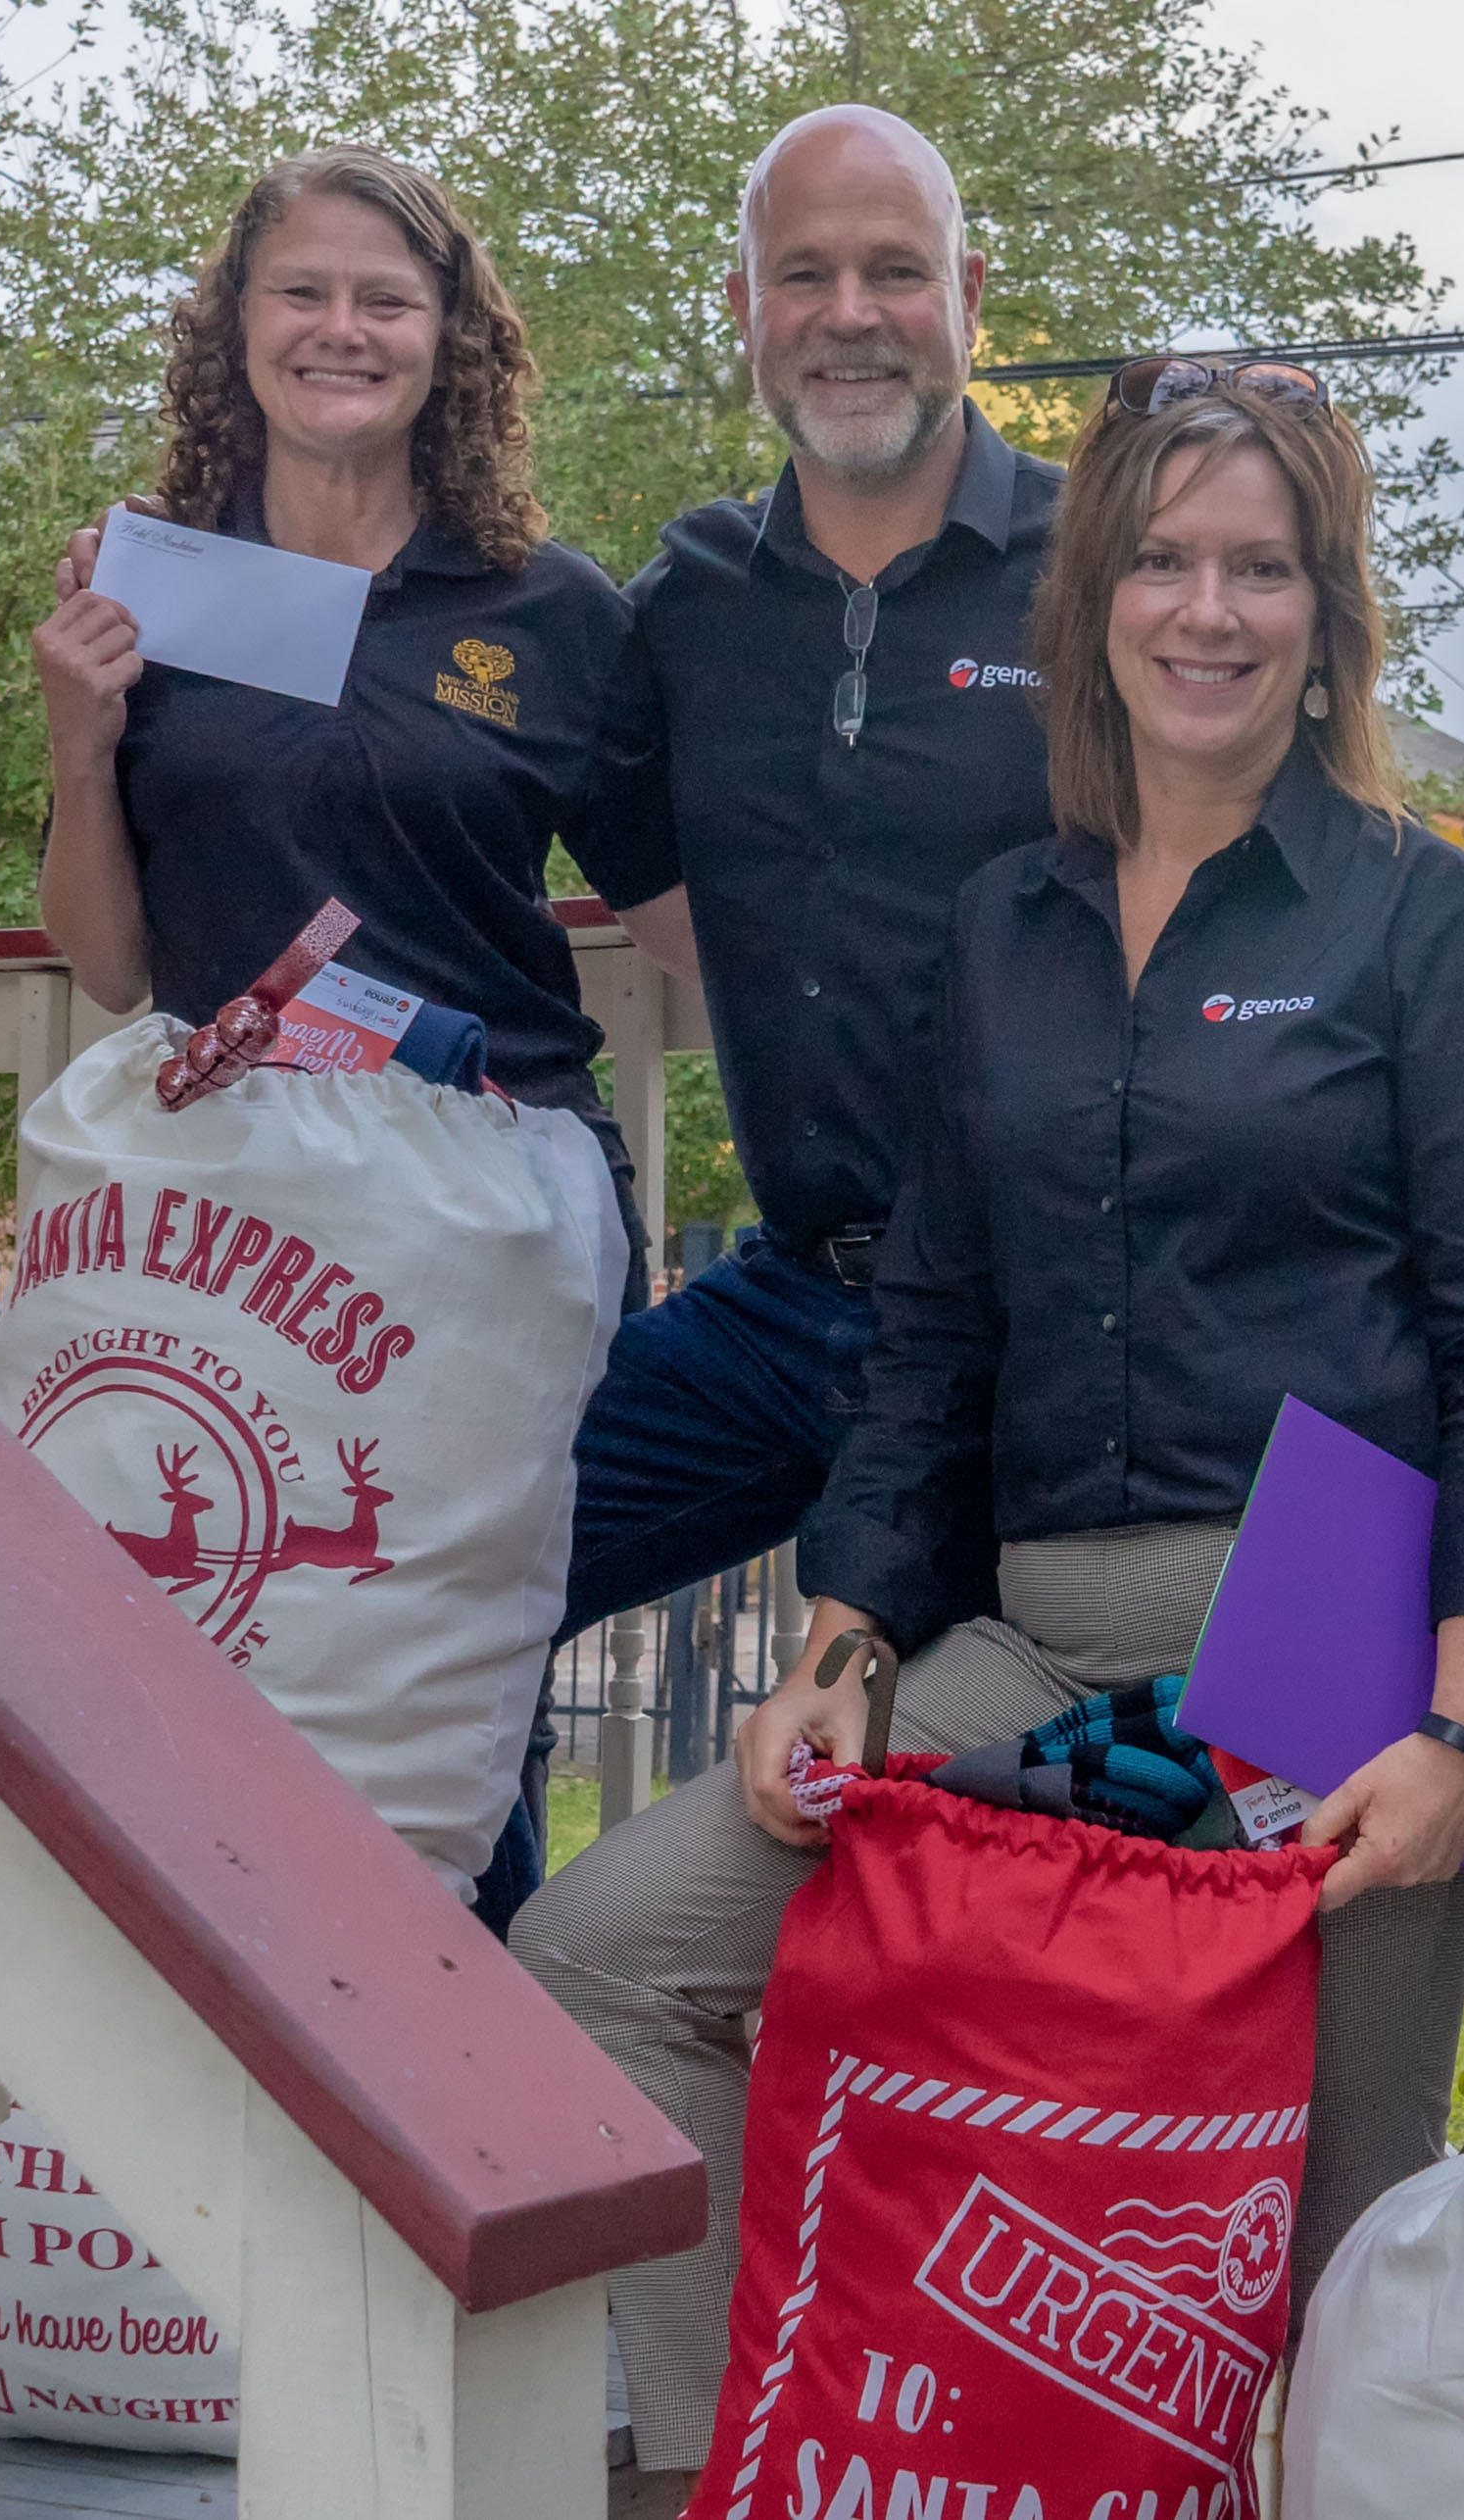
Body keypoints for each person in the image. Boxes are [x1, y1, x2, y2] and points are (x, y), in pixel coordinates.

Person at [518, 357, 1464, 2496]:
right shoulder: (1004, 926)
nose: (1209, 611)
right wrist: (838, 1658)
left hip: (1330, 1670)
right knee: (605, 1953)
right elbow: (925, 1337)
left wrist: (1457, 1737)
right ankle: (726, 2469)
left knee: (1343, 2230)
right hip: (1028, 1650)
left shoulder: (1418, 915)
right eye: (1167, 561)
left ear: (1327, 613)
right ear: (1093, 594)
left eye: (1262, 568)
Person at [471, 105, 1062, 1920]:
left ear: (968, 294)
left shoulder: (1107, 569)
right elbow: (484, 770)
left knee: (956, 1815)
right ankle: (460, 2097)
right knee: (468, 1576)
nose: (851, 311)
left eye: (895, 270)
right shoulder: (687, 603)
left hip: (1035, 1337)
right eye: (805, 272)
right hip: (796, 1297)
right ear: (744, 306)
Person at [29, 144, 661, 1311]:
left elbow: (687, 918)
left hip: (504, 1200)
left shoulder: (554, 609)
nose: (343, 329)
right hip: (233, 1220)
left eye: (387, 301)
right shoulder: (152, 589)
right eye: (302, 292)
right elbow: (113, 971)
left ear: (448, 339)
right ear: (238, 326)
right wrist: (79, 736)